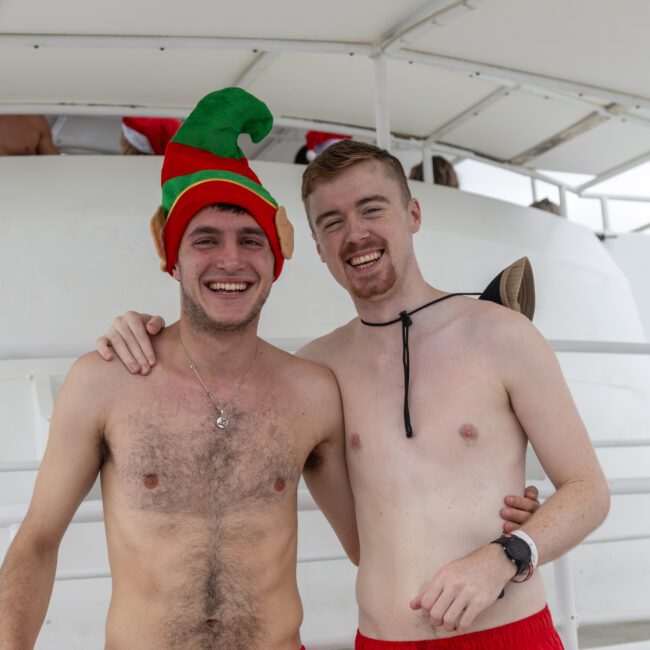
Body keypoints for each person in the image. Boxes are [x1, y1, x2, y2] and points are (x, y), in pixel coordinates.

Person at [0, 89, 535, 650]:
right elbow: (36, 541)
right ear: (171, 257)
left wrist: (500, 517)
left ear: (276, 259)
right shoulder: (105, 380)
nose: (230, 260)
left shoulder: (310, 391)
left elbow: (374, 539)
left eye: (250, 240)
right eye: (205, 240)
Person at [94, 140, 583, 648]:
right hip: (378, 638)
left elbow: (587, 489)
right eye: (332, 222)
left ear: (412, 214)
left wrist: (511, 551)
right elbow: (362, 542)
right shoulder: (314, 372)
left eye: (372, 208)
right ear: (318, 245)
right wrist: (135, 331)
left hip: (505, 631)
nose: (355, 234)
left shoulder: (501, 333)